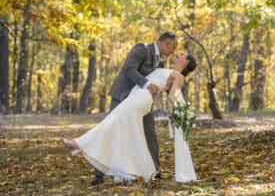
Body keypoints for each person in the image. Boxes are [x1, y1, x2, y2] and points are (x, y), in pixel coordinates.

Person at [60, 53, 196, 184]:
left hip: (141, 99)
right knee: (125, 131)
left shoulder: (179, 77)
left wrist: (179, 112)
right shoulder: (168, 70)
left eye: (183, 54)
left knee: (113, 120)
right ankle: (131, 171)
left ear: (186, 62)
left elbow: (174, 95)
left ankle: (79, 143)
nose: (178, 53)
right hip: (135, 95)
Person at [94, 31, 178, 185]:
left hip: (141, 102)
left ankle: (156, 170)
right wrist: (146, 85)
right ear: (166, 43)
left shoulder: (160, 61)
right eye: (173, 47)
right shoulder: (142, 49)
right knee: (110, 130)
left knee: (150, 133)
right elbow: (129, 69)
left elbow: (158, 80)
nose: (173, 51)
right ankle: (98, 174)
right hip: (123, 96)